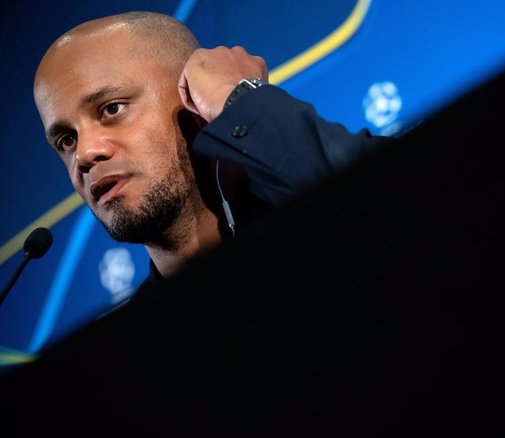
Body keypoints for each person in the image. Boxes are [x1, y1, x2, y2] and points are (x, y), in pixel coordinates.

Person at [33, 11, 389, 306]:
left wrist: (240, 98)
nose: (84, 153)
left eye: (112, 108)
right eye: (66, 140)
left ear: (192, 96)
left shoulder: (325, 242)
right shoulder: (118, 364)